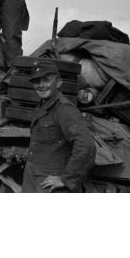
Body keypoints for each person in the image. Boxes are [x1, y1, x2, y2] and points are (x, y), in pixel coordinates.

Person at [22, 60, 96, 192]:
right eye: (36, 81)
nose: (41, 85)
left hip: (50, 186)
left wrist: (66, 179)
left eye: (46, 80)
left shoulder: (64, 110)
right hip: (34, 180)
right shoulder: (41, 107)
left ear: (59, 82)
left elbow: (86, 146)